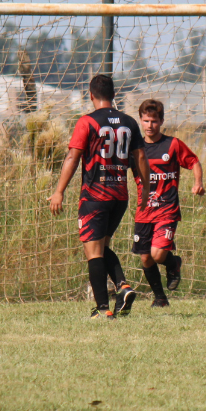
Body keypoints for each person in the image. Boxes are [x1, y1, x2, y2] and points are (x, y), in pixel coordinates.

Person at [48, 74, 151, 319]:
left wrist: (59, 191)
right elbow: (140, 157)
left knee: (93, 252)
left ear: (91, 95)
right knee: (102, 246)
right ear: (114, 95)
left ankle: (103, 309)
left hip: (95, 196)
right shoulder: (129, 122)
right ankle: (123, 286)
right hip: (120, 197)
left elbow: (72, 157)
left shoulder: (87, 122)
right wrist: (145, 189)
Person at [131, 99, 205, 308]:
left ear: (161, 121)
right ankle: (160, 298)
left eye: (154, 121)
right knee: (146, 258)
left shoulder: (172, 144)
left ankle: (173, 263)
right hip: (144, 211)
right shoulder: (135, 149)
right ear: (140, 121)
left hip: (167, 210)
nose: (150, 125)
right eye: (146, 121)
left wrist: (198, 182)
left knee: (157, 254)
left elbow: (194, 162)